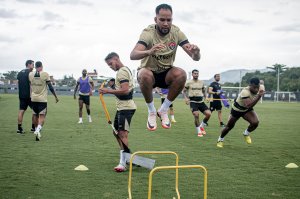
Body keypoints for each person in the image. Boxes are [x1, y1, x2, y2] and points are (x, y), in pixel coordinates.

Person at [130, 3, 200, 131]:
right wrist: (149, 51)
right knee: (144, 74)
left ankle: (163, 110)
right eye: (162, 19)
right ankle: (151, 111)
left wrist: (196, 52)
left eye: (169, 20)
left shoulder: (177, 32)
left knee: (181, 74)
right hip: (149, 73)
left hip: (165, 74)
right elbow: (133, 55)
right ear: (156, 19)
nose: (166, 23)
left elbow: (195, 58)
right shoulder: (148, 33)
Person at [99, 52, 137, 172]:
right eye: (108, 65)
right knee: (116, 132)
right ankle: (127, 156)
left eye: (111, 63)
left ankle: (123, 163)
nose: (110, 66)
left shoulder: (122, 71)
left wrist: (107, 91)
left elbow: (125, 91)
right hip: (122, 107)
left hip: (126, 107)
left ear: (116, 59)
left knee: (122, 134)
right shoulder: (121, 72)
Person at [216, 77, 265, 148]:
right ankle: (220, 139)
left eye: (257, 87)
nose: (256, 89)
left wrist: (261, 91)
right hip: (237, 109)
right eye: (254, 87)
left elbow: (262, 88)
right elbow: (248, 105)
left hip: (246, 109)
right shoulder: (245, 92)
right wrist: (259, 96)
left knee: (255, 122)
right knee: (229, 127)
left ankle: (246, 133)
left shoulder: (260, 87)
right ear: (250, 85)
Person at [29, 61, 59, 141]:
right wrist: (55, 96)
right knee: (42, 116)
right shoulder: (45, 74)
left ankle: (37, 133)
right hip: (42, 99)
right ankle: (38, 130)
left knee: (35, 115)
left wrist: (30, 96)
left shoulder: (30, 74)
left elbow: (30, 86)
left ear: (35, 66)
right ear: (41, 66)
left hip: (33, 98)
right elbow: (50, 87)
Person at [182, 69, 211, 137]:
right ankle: (199, 131)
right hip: (193, 102)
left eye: (197, 73)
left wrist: (206, 97)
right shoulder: (188, 82)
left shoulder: (201, 82)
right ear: (192, 74)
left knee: (208, 114)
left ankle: (202, 126)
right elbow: (183, 91)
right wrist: (186, 98)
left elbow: (204, 91)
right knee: (196, 115)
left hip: (201, 101)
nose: (196, 75)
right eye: (195, 73)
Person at [17, 60, 36, 134]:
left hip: (21, 95)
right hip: (30, 96)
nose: (33, 66)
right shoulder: (30, 73)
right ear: (28, 65)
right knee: (35, 111)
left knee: (21, 111)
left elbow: (18, 83)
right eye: (32, 65)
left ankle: (19, 129)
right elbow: (31, 84)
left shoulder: (19, 73)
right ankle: (33, 128)